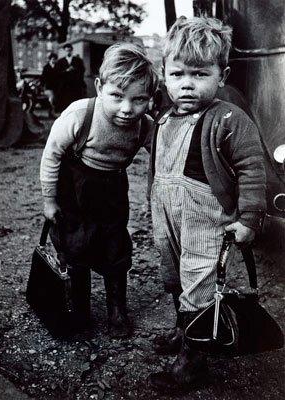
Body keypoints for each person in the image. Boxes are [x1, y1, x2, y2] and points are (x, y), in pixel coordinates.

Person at [148, 17, 266, 390]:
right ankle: (183, 333)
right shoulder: (164, 118)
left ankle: (193, 361)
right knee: (175, 277)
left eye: (200, 74)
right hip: (167, 216)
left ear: (222, 74)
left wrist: (248, 218)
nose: (186, 83)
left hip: (206, 222)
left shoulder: (229, 119)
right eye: (177, 73)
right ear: (164, 74)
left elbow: (251, 169)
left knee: (199, 283)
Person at [40, 42, 158, 338]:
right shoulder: (80, 115)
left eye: (139, 99)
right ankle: (79, 310)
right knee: (74, 246)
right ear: (99, 87)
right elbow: (52, 154)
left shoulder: (145, 126)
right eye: (117, 96)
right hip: (75, 189)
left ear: (150, 99)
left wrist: (155, 195)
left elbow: (164, 157)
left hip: (112, 190)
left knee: (115, 247)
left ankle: (117, 310)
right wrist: (49, 200)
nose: (127, 108)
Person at [55, 43, 86, 112]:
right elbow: (57, 73)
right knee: (65, 100)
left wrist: (75, 71)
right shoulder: (60, 61)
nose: (68, 52)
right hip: (64, 85)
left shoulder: (78, 60)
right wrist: (66, 71)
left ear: (72, 51)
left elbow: (82, 70)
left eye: (69, 50)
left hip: (75, 85)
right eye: (66, 51)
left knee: (75, 100)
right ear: (64, 51)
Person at [41, 52, 58, 118]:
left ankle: (51, 113)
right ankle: (51, 113)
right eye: (53, 59)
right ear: (50, 59)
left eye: (55, 59)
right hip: (48, 87)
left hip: (56, 87)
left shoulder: (57, 67)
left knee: (54, 100)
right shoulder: (46, 67)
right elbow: (42, 78)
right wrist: (42, 86)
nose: (54, 60)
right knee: (51, 99)